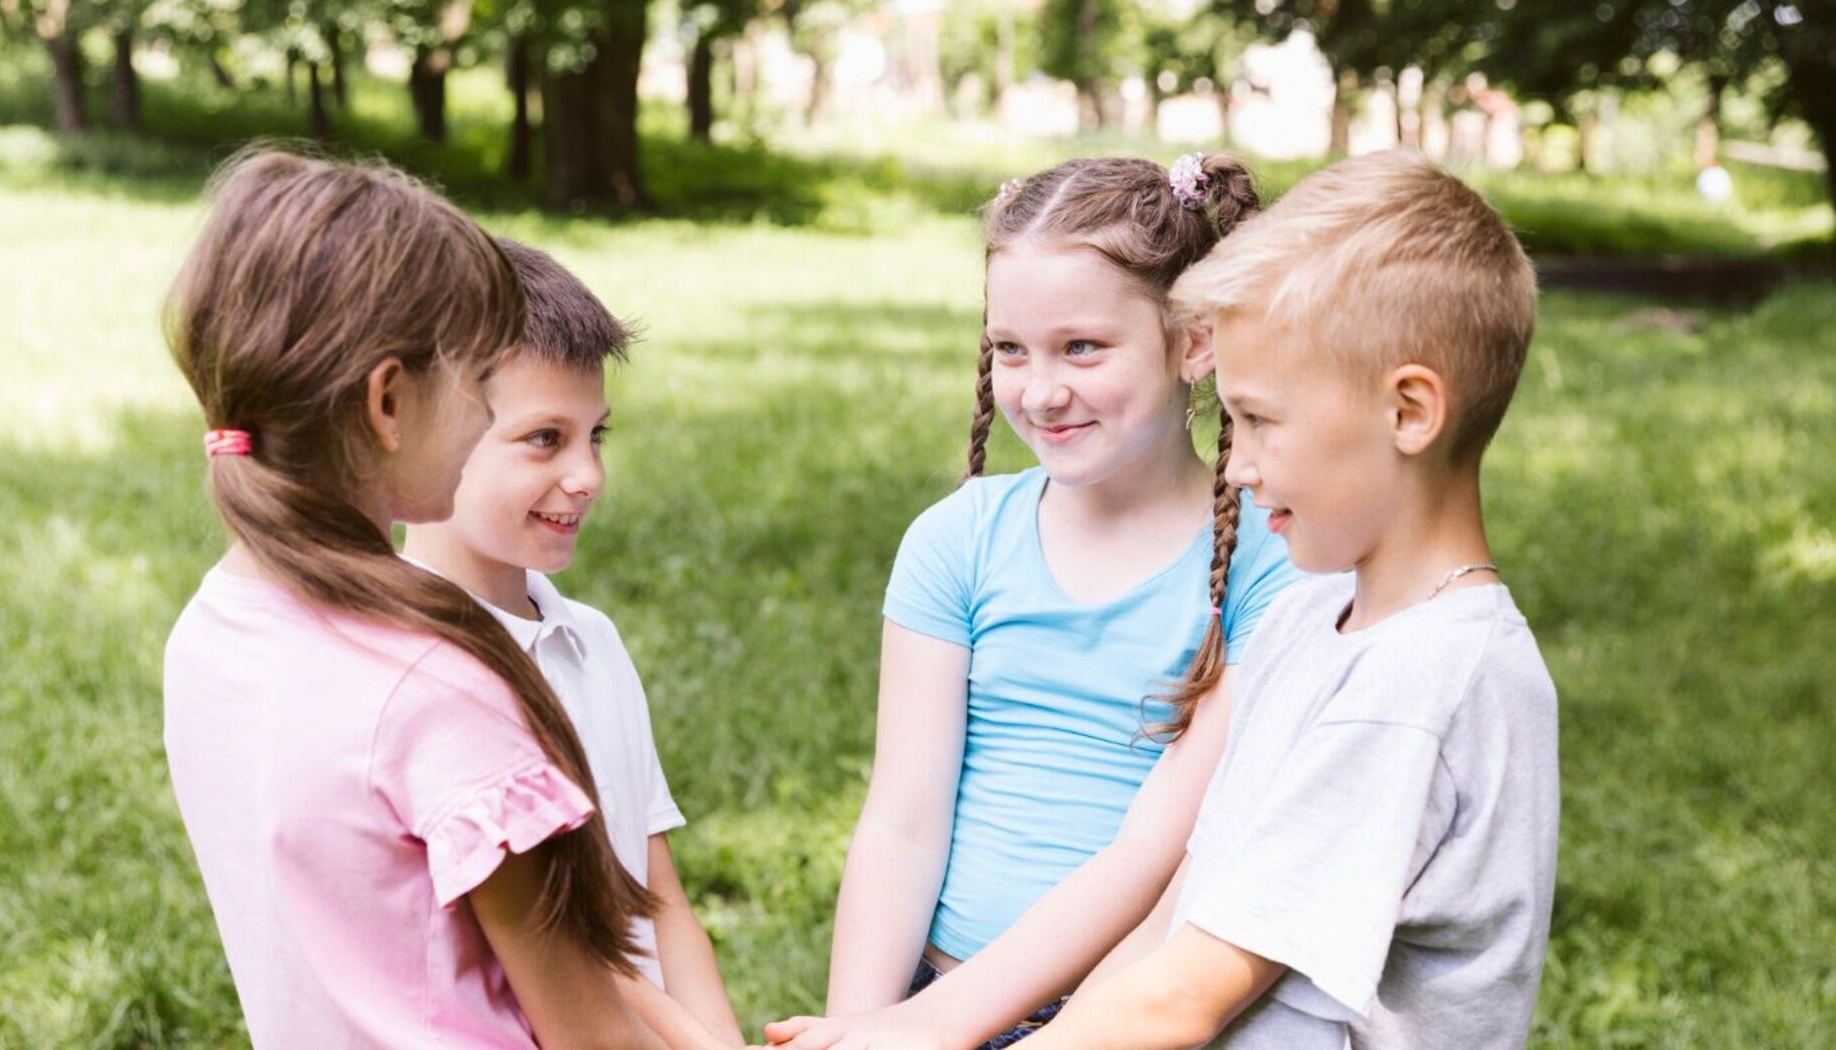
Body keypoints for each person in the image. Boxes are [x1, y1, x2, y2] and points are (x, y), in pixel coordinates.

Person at [1027, 148, 1560, 1049]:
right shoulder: (1310, 619)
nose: (1237, 465)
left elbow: (1184, 1002)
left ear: (1409, 413)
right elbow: (1170, 931)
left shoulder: (1420, 683)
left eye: (1264, 420)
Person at [770, 154, 1302, 1050]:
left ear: (1195, 341)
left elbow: (1155, 851)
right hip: (930, 993)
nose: (1042, 390)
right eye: (1010, 348)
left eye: (1083, 347)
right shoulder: (959, 540)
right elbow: (902, 819)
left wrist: (945, 1033)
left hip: (1112, 1025)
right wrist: (865, 1030)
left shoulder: (1271, 559)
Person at [161, 150, 670, 1048]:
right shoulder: (439, 691)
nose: (482, 416)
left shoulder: (211, 629)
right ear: (389, 402)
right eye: (478, 384)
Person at [402, 238, 743, 1047]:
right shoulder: (418, 672)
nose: (587, 474)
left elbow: (656, 901)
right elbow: (572, 953)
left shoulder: (592, 641)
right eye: (544, 439)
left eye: (597, 435)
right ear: (427, 434)